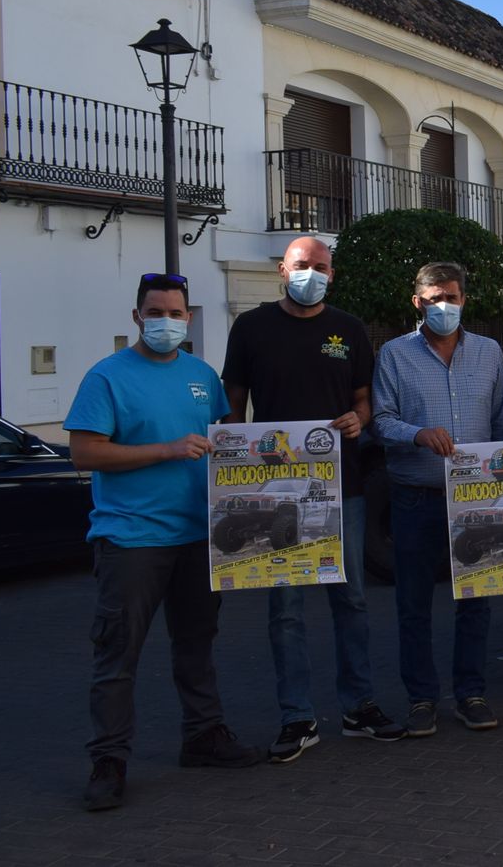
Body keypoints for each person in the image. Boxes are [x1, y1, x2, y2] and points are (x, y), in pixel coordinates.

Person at [66, 273, 262, 811]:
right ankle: (108, 759)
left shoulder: (202, 376)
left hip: (200, 535)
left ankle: (203, 736)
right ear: (136, 317)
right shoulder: (107, 377)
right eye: (157, 313)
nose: (167, 323)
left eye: (177, 314)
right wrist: (166, 449)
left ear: (189, 318)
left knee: (197, 645)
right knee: (118, 653)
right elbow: (84, 453)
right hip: (132, 539)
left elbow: (226, 443)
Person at [222, 236, 406, 763]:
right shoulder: (251, 327)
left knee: (350, 599)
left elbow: (363, 400)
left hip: (341, 488)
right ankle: (296, 716)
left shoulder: (348, 329)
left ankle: (358, 707)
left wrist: (359, 419)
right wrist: (240, 461)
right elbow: (234, 407)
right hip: (275, 492)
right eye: (302, 265)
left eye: (320, 266)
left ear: (332, 273)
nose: (311, 273)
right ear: (283, 269)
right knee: (286, 608)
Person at [372, 262, 503, 737]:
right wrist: (416, 434)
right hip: (415, 497)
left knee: (477, 600)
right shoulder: (393, 354)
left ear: (464, 300)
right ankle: (421, 699)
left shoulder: (490, 353)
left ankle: (471, 693)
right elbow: (381, 420)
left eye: (450, 297)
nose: (443, 306)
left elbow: (499, 421)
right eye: (433, 299)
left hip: (475, 498)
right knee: (413, 603)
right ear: (418, 303)